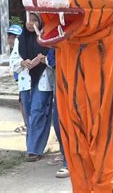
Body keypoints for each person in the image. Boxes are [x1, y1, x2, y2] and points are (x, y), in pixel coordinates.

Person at [11, 13, 53, 162]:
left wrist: (43, 60)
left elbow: (54, 58)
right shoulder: (20, 39)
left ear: (41, 22)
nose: (30, 23)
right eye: (28, 19)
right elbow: (14, 59)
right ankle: (32, 146)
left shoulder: (47, 38)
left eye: (35, 20)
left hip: (43, 79)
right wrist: (23, 63)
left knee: (38, 112)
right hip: (25, 80)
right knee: (29, 114)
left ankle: (34, 149)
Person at [44, 48, 69, 178]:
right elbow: (50, 56)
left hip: (82, 84)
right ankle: (68, 161)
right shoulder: (58, 36)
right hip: (60, 86)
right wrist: (60, 64)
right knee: (60, 125)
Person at [8, 25, 27, 133]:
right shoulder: (14, 52)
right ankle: (26, 124)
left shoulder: (23, 48)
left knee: (23, 102)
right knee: (21, 101)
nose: (11, 40)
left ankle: (27, 125)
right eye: (10, 37)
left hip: (27, 82)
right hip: (21, 81)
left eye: (15, 37)